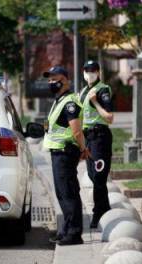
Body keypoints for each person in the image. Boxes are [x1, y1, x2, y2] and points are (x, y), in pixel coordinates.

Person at [42, 66, 89, 245]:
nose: (51, 82)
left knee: (69, 193)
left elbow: (76, 131)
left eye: (55, 78)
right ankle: (66, 230)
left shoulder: (70, 102)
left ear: (66, 80)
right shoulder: (59, 100)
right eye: (49, 79)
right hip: (58, 153)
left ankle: (74, 234)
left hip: (65, 152)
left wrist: (83, 149)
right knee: (62, 194)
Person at [80, 60, 114, 229]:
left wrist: (95, 102)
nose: (90, 73)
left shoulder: (103, 90)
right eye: (87, 70)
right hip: (88, 138)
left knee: (99, 177)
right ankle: (106, 208)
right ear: (83, 72)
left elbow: (109, 118)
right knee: (94, 176)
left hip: (100, 136)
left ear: (99, 72)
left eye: (93, 70)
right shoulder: (83, 91)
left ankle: (98, 213)